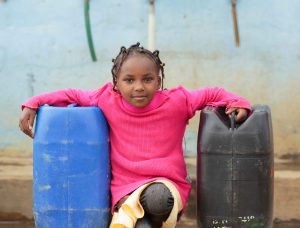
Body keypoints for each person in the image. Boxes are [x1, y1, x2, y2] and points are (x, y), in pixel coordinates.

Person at [19, 42, 251, 228]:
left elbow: (212, 93)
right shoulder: (106, 99)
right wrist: (33, 103)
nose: (139, 87)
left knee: (157, 198)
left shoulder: (177, 101)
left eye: (147, 79)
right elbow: (71, 94)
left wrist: (238, 102)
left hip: (165, 185)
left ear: (158, 81)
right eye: (129, 80)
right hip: (125, 190)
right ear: (116, 84)